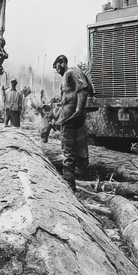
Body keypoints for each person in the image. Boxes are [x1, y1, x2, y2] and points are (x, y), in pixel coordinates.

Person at [52, 54, 93, 191]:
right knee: (79, 154)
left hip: (72, 121)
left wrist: (79, 110)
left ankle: (69, 186)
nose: (56, 69)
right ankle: (77, 183)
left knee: (68, 153)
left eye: (56, 65)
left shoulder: (70, 73)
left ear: (63, 62)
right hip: (72, 120)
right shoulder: (69, 76)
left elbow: (83, 90)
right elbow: (66, 101)